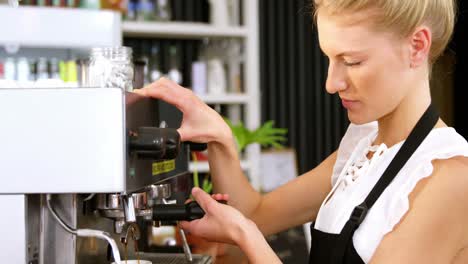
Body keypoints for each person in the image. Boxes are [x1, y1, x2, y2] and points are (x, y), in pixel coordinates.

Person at [135, 0, 468, 263]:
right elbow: (256, 213)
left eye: (351, 61)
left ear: (417, 46)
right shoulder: (362, 149)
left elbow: (248, 224)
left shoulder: (451, 178)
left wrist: (245, 235)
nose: (331, 83)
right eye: (329, 58)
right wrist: (220, 139)